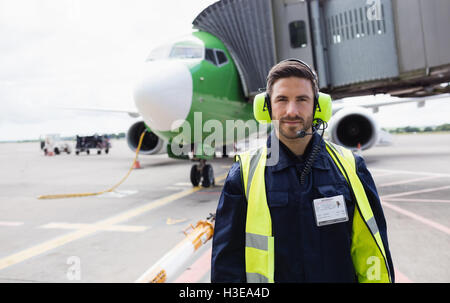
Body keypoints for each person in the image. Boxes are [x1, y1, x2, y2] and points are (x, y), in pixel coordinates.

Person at [211, 59, 395, 283]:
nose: (292, 110)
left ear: (318, 106)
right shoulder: (244, 174)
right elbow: (227, 266)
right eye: (282, 99)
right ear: (266, 107)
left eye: (302, 99)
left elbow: (372, 251)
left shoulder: (351, 167)